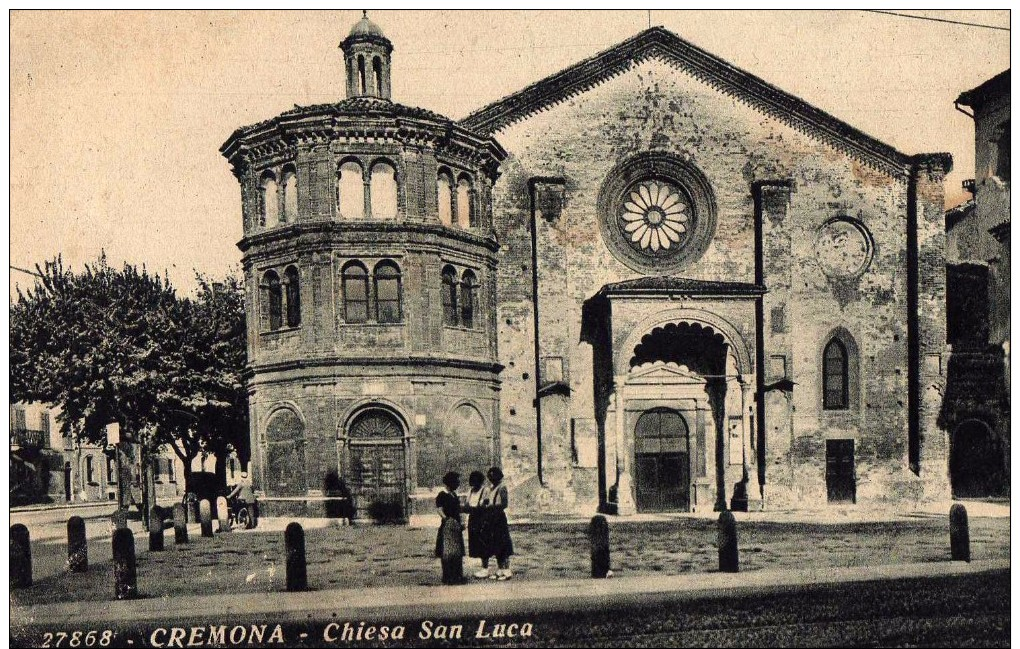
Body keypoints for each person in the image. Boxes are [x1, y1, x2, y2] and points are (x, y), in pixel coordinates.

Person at [434, 471, 465, 585]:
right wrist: (446, 519)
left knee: (457, 551)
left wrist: (461, 523)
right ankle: (448, 576)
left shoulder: (454, 494)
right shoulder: (442, 495)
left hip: (456, 525)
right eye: (456, 481)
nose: (458, 483)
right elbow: (439, 509)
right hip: (447, 525)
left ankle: (457, 575)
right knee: (447, 552)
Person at [485, 467, 514, 581]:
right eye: (490, 476)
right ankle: (500, 568)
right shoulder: (492, 488)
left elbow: (504, 504)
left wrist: (491, 507)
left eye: (493, 476)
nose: (491, 478)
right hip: (492, 517)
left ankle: (507, 570)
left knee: (503, 543)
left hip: (499, 517)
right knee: (496, 543)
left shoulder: (502, 487)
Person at [464, 470, 493, 579]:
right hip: (473, 519)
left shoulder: (485, 490)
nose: (474, 484)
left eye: (476, 481)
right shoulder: (470, 491)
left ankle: (485, 568)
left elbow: (485, 505)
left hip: (482, 519)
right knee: (476, 544)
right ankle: (483, 567)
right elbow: (467, 505)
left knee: (484, 543)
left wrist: (474, 508)